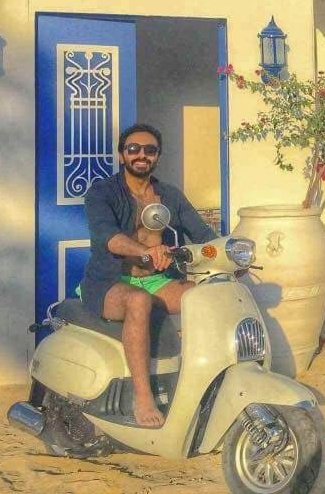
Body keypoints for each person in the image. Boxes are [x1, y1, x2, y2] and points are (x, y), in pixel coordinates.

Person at [79, 123, 217, 428]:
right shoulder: (102, 192)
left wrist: (230, 252)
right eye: (133, 149)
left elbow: (203, 234)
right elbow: (109, 237)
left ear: (157, 156)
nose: (141, 155)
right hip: (110, 281)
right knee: (138, 301)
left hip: (157, 280)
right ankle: (142, 397)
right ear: (121, 155)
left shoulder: (170, 195)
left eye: (150, 150)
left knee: (207, 296)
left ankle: (199, 383)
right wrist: (146, 251)